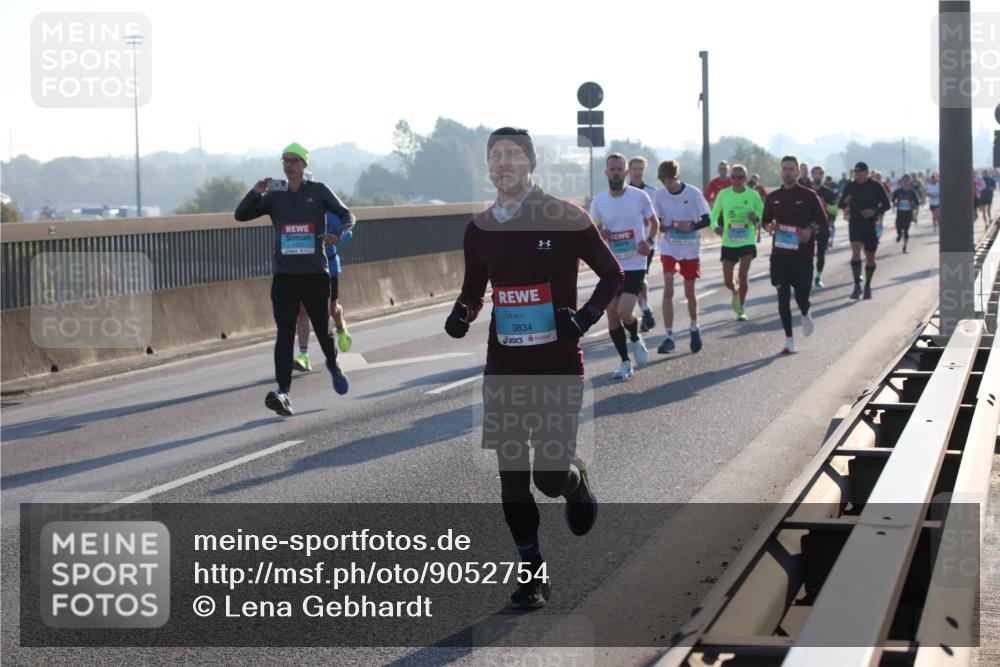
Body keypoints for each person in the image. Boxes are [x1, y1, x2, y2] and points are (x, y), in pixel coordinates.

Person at [443, 127, 622, 609]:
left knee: (546, 475)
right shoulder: (478, 229)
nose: (503, 163)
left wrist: (583, 319)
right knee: (512, 474)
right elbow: (474, 289)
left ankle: (573, 479)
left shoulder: (565, 217)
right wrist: (462, 313)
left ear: (530, 163)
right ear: (489, 166)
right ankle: (532, 573)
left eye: (512, 154)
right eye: (495, 155)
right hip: (503, 367)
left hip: (559, 364)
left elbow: (613, 274)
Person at [234, 142, 352, 416]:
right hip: (285, 275)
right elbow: (240, 215)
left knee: (322, 331)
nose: (289, 165)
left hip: (314, 273)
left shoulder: (319, 191)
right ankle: (284, 393)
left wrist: (339, 233)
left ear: (304, 165)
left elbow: (348, 215)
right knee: (284, 333)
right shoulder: (276, 195)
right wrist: (255, 192)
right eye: (285, 160)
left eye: (295, 161)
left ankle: (333, 365)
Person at [591, 153, 657, 380]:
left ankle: (636, 338)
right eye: (613, 169)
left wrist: (649, 242)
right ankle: (625, 362)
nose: (616, 173)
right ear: (606, 172)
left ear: (626, 172)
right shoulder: (599, 200)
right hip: (611, 265)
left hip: (635, 262)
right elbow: (593, 231)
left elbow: (654, 222)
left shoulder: (639, 197)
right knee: (611, 314)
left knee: (624, 311)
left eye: (620, 169)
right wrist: (601, 234)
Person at [762, 156, 827, 354]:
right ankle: (789, 339)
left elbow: (822, 221)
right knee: (782, 296)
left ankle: (805, 310)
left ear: (798, 173)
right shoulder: (773, 197)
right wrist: (769, 227)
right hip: (780, 254)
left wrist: (809, 229)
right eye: (785, 169)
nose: (788, 172)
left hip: (803, 255)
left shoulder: (809, 195)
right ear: (780, 172)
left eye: (792, 169)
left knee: (801, 297)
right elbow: (765, 222)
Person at [653, 160, 711, 353]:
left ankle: (694, 327)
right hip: (669, 246)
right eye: (664, 182)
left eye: (670, 181)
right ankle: (669, 337)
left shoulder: (693, 193)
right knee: (668, 290)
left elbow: (707, 219)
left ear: (677, 177)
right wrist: (661, 227)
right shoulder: (660, 195)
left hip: (690, 248)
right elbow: (657, 220)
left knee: (689, 292)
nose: (668, 185)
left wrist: (692, 226)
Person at [294, 212, 354, 371]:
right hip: (306, 268)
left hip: (329, 268)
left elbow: (348, 232)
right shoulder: (301, 210)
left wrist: (334, 237)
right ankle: (303, 356)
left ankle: (341, 327)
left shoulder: (330, 213)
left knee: (332, 310)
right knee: (302, 311)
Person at [710, 163, 762, 320]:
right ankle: (734, 291)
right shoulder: (723, 194)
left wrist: (756, 218)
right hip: (729, 241)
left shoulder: (753, 195)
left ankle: (741, 307)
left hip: (747, 239)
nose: (737, 180)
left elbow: (762, 214)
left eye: (740, 177)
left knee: (743, 275)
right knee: (727, 281)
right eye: (734, 176)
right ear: (730, 178)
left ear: (745, 179)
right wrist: (715, 227)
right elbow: (713, 216)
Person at [838, 161, 891, 300]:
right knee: (855, 250)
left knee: (870, 258)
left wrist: (873, 211)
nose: (857, 175)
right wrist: (846, 201)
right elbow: (840, 204)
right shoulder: (850, 186)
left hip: (870, 224)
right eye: (856, 172)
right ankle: (857, 285)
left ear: (867, 173)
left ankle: (867, 285)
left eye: (860, 172)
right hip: (855, 222)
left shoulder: (875, 186)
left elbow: (886, 205)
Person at [626, 156, 659, 333]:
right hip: (624, 245)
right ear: (628, 171)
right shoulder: (622, 193)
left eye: (640, 169)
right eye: (634, 169)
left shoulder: (653, 193)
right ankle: (644, 311)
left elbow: (658, 218)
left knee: (639, 278)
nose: (637, 172)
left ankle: (645, 311)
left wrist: (650, 239)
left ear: (644, 171)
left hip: (646, 244)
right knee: (631, 281)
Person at [808, 165, 838, 288]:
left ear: (822, 175)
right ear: (812, 175)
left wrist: (825, 205)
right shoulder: (806, 190)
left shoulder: (828, 192)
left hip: (822, 226)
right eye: (815, 173)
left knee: (821, 254)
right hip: (808, 226)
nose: (817, 176)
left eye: (820, 173)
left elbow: (835, 210)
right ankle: (806, 277)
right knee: (806, 254)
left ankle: (818, 277)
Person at [892, 174, 919, 254]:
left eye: (907, 180)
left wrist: (915, 214)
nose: (906, 182)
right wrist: (896, 203)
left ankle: (905, 247)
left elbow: (917, 203)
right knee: (898, 227)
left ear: (910, 182)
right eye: (904, 181)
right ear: (902, 182)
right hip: (900, 213)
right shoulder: (898, 191)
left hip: (908, 214)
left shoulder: (912, 192)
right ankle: (899, 235)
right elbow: (893, 200)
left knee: (906, 230)